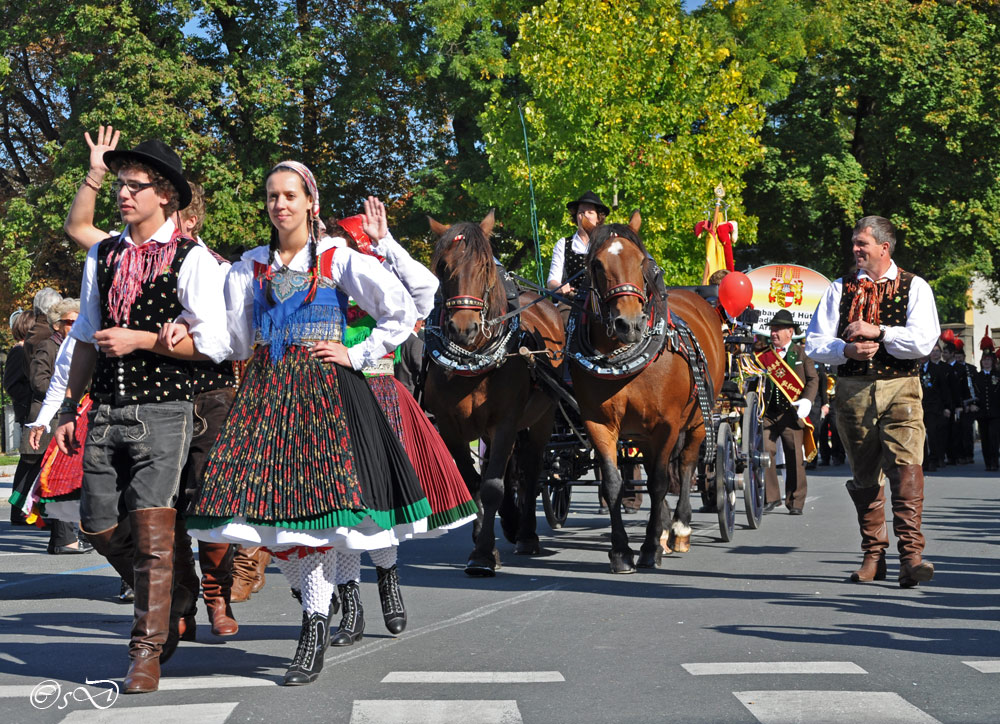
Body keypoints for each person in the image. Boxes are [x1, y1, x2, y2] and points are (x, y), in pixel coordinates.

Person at [184, 161, 431, 686]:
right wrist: (179, 333)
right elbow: (230, 339)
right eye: (272, 196)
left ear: (310, 202)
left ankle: (313, 628)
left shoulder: (337, 258)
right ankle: (320, 610)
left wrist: (357, 350)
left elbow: (403, 311)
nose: (280, 205)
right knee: (263, 524)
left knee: (315, 523)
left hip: (325, 398)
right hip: (266, 399)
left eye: (290, 195)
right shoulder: (247, 266)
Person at [54, 139, 231, 693]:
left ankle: (146, 651)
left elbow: (217, 344)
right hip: (106, 407)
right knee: (99, 523)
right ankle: (180, 587)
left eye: (136, 186)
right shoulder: (102, 255)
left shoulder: (192, 258)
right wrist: (66, 407)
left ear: (166, 197)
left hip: (167, 410)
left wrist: (147, 339)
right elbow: (84, 338)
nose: (124, 194)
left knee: (155, 529)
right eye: (121, 184)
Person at [329, 199, 474, 645]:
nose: (338, 249)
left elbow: (427, 291)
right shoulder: (320, 275)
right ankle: (350, 606)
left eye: (346, 241)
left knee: (376, 503)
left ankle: (388, 578)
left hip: (376, 391)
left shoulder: (379, 274)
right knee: (337, 509)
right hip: (327, 397)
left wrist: (386, 242)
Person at [805, 215, 939, 588]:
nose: (855, 250)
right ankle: (873, 554)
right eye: (854, 243)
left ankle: (911, 557)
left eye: (862, 243)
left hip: (902, 387)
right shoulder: (838, 288)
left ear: (885, 247)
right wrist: (845, 347)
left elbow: (924, 340)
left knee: (906, 467)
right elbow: (815, 343)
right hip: (853, 389)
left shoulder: (915, 287)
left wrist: (879, 331)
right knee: (864, 474)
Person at [28, 298, 92, 554]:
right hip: (87, 416)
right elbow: (58, 386)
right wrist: (41, 422)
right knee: (81, 491)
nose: (75, 325)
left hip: (138, 410)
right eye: (69, 321)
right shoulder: (70, 343)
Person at [756, 309, 818, 515]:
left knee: (794, 457)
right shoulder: (764, 355)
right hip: (769, 412)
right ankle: (771, 498)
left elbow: (812, 380)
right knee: (765, 452)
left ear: (790, 332)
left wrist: (807, 400)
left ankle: (796, 501)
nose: (773, 333)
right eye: (772, 329)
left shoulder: (801, 353)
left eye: (778, 330)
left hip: (792, 414)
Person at [4, 310, 36, 525]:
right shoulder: (19, 351)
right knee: (27, 465)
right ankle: (17, 509)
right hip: (29, 415)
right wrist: (29, 404)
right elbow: (12, 384)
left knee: (31, 465)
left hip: (32, 414)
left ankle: (23, 508)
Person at [920, 345, 953, 472]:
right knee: (920, 435)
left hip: (934, 407)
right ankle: (924, 461)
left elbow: (944, 389)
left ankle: (934, 459)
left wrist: (947, 406)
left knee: (933, 434)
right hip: (919, 406)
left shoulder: (937, 369)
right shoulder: (916, 368)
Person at [975, 350, 1000, 471]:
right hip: (982, 412)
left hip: (995, 412)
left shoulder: (997, 375)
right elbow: (973, 392)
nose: (986, 362)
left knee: (994, 437)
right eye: (984, 360)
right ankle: (988, 463)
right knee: (985, 438)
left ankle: (995, 461)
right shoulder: (977, 376)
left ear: (992, 361)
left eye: (988, 360)